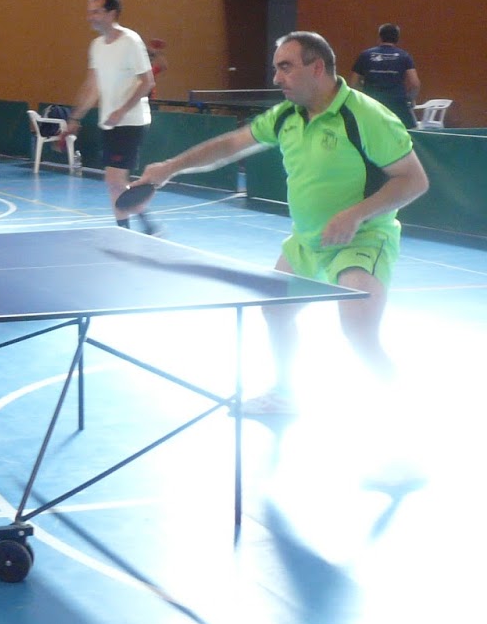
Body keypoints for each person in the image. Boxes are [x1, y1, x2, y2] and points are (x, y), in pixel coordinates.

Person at [132, 31, 429, 418]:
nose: (277, 78)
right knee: (276, 312)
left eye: (286, 67)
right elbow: (231, 145)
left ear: (317, 68)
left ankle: (406, 422)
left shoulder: (366, 116)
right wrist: (169, 168)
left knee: (359, 332)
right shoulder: (287, 115)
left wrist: (356, 214)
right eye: (277, 68)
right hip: (307, 241)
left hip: (363, 238)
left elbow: (414, 181)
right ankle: (284, 395)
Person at [62, 0, 158, 234]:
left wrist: (122, 110)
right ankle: (141, 224)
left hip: (131, 121)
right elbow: (92, 86)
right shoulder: (96, 46)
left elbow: (147, 82)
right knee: (115, 182)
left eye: (96, 12)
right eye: (89, 12)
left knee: (113, 180)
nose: (90, 17)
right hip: (109, 123)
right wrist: (75, 118)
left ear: (112, 13)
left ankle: (128, 229)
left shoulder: (131, 41)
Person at [350, 23, 420, 129]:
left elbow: (353, 83)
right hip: (397, 104)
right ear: (397, 38)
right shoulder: (404, 56)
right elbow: (415, 83)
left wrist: (362, 97)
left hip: (371, 103)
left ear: (380, 37)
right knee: (410, 132)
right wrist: (410, 98)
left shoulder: (365, 55)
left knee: (370, 131)